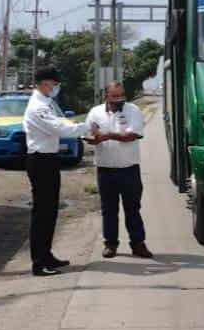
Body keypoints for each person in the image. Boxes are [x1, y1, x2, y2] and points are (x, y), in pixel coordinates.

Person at [24, 68, 90, 276]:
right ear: (44, 83)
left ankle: (46, 255)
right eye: (53, 84)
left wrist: (79, 126)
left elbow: (62, 123)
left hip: (48, 159)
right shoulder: (38, 107)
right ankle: (39, 263)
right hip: (40, 161)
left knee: (50, 211)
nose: (55, 88)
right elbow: (60, 130)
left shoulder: (47, 103)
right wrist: (87, 127)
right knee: (42, 212)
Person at [86, 82, 152, 259]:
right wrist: (93, 139)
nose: (119, 100)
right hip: (105, 169)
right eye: (114, 96)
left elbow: (132, 135)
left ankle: (138, 244)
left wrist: (108, 135)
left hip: (128, 169)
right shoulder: (95, 112)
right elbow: (89, 133)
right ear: (105, 95)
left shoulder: (133, 110)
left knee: (132, 209)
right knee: (108, 210)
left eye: (121, 95)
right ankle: (110, 244)